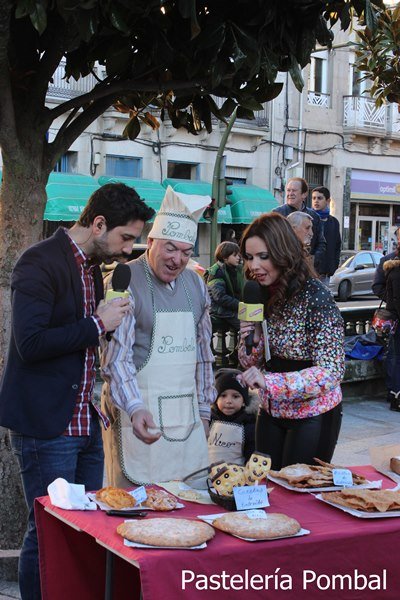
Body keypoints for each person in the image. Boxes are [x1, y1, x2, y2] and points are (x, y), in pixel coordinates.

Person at [0, 183, 154, 600]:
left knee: (89, 526)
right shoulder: (37, 262)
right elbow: (30, 344)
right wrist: (96, 325)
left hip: (85, 423)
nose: (127, 250)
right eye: (125, 238)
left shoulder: (90, 268)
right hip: (46, 427)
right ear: (98, 223)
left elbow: (84, 346)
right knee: (48, 530)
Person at [101, 186, 217, 486]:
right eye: (169, 248)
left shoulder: (197, 284)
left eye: (185, 252)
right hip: (137, 414)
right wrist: (134, 407)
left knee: (190, 507)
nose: (177, 259)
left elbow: (204, 354)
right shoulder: (125, 280)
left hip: (187, 420)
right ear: (150, 242)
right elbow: (116, 359)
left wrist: (205, 411)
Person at [237, 212, 344, 470]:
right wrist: (252, 341)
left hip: (313, 414)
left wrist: (269, 381)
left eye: (264, 256)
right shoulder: (257, 292)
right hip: (271, 411)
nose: (254, 266)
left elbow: (331, 371)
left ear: (283, 252)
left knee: (299, 496)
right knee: (266, 487)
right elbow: (248, 360)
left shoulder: (316, 296)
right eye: (249, 257)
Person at [273, 177, 326, 274]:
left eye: (294, 190)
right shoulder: (277, 214)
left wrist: (311, 261)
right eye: (288, 190)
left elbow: (321, 243)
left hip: (307, 271)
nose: (290, 193)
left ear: (304, 194)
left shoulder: (314, 217)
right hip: (284, 271)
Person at [372, 227, 400, 409]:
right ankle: (394, 392)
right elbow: (377, 286)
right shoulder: (388, 261)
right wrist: (390, 299)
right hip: (395, 316)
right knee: (395, 355)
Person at [208, 368, 255, 465]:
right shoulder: (208, 419)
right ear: (215, 399)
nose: (228, 401)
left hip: (237, 475)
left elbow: (251, 453)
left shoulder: (248, 423)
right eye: (223, 395)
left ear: (244, 401)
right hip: (208, 473)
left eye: (235, 396)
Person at [207, 241, 244, 332]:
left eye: (238, 255)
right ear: (225, 257)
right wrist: (240, 305)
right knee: (247, 325)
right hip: (219, 310)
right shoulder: (216, 272)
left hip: (232, 308)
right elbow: (219, 296)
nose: (238, 258)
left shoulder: (236, 269)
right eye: (235, 255)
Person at [311, 186, 342, 286]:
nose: (316, 201)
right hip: (309, 272)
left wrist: (333, 266)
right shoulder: (308, 219)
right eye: (314, 198)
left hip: (325, 274)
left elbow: (337, 246)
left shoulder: (334, 222)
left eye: (319, 198)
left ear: (328, 201)